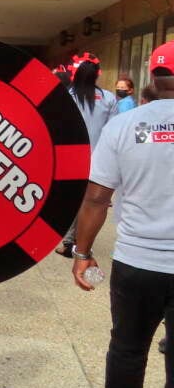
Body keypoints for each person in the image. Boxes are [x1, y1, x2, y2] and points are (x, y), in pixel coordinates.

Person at [70, 40, 174, 388]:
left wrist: (82, 251)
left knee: (128, 350)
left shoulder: (125, 125)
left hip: (138, 263)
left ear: (152, 77)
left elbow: (97, 198)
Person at [56, 52, 119, 257]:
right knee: (91, 203)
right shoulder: (109, 98)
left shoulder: (66, 96)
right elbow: (113, 130)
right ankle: (79, 243)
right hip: (99, 159)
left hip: (70, 157)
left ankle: (70, 243)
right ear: (97, 75)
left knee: (71, 200)